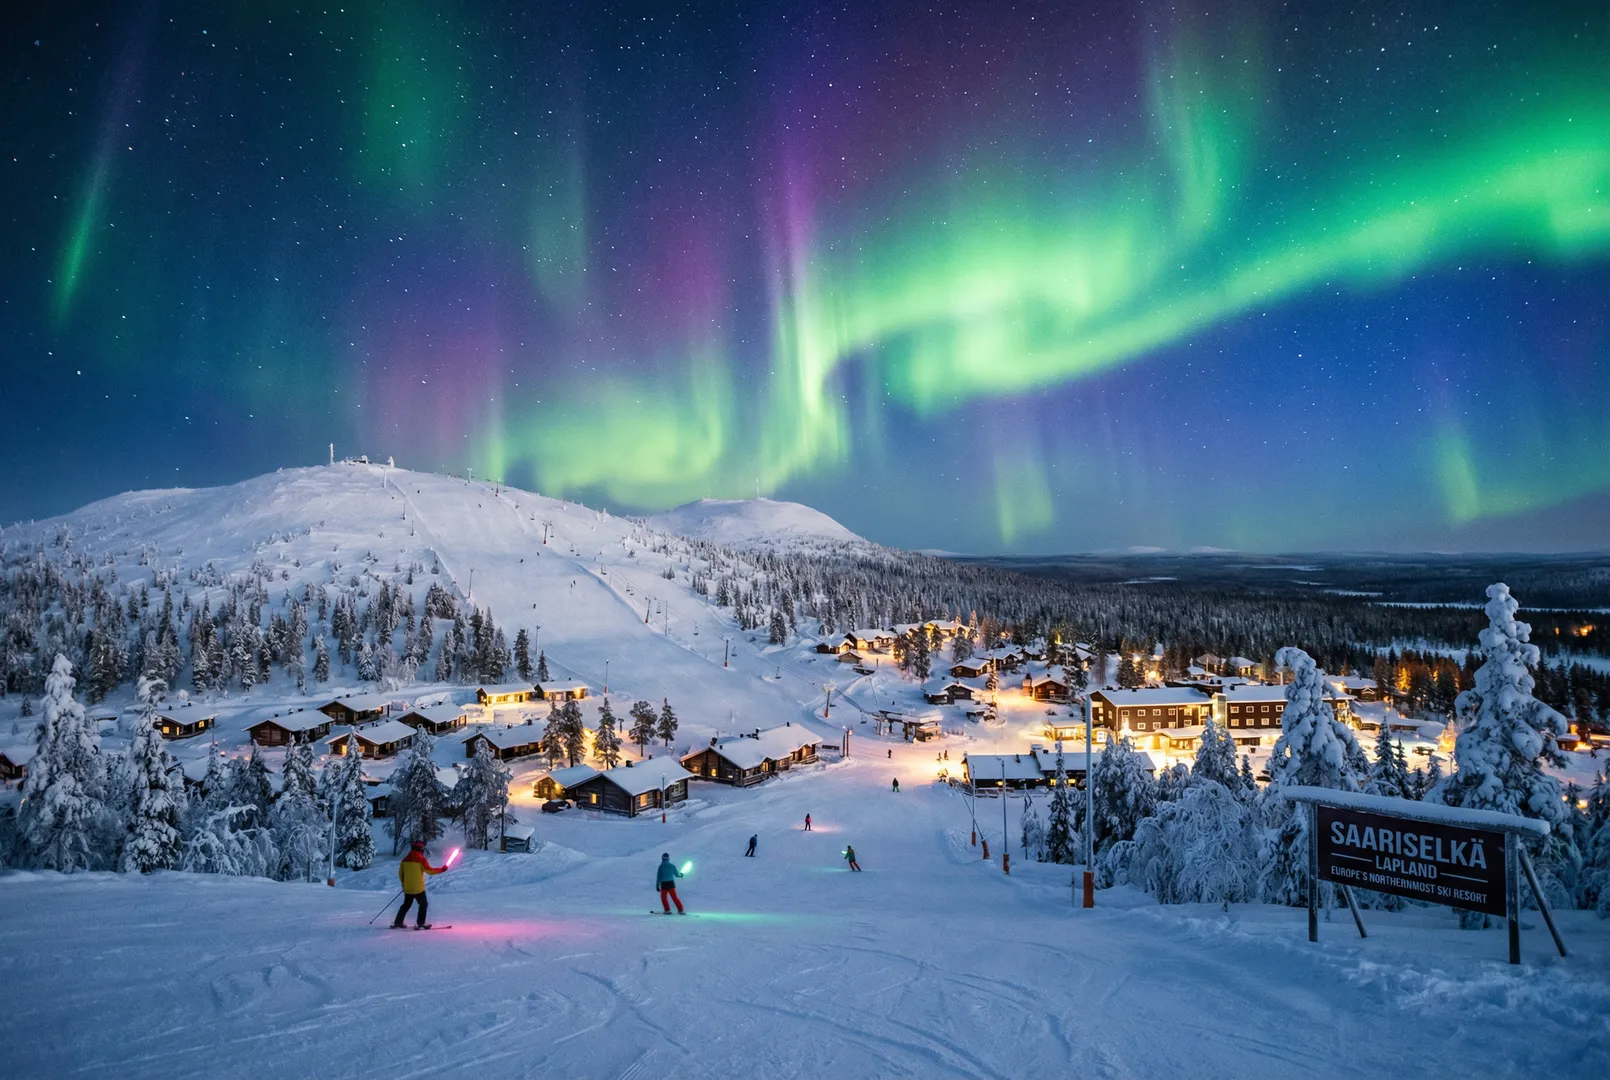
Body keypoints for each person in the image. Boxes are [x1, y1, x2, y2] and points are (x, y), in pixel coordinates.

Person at [392, 841, 447, 929]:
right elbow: (430, 871)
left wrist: (404, 884)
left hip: (408, 888)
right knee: (423, 904)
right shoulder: (421, 860)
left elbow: (400, 874)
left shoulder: (405, 859)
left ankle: (398, 922)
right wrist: (442, 869)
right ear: (421, 849)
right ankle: (420, 923)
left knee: (406, 905)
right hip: (418, 889)